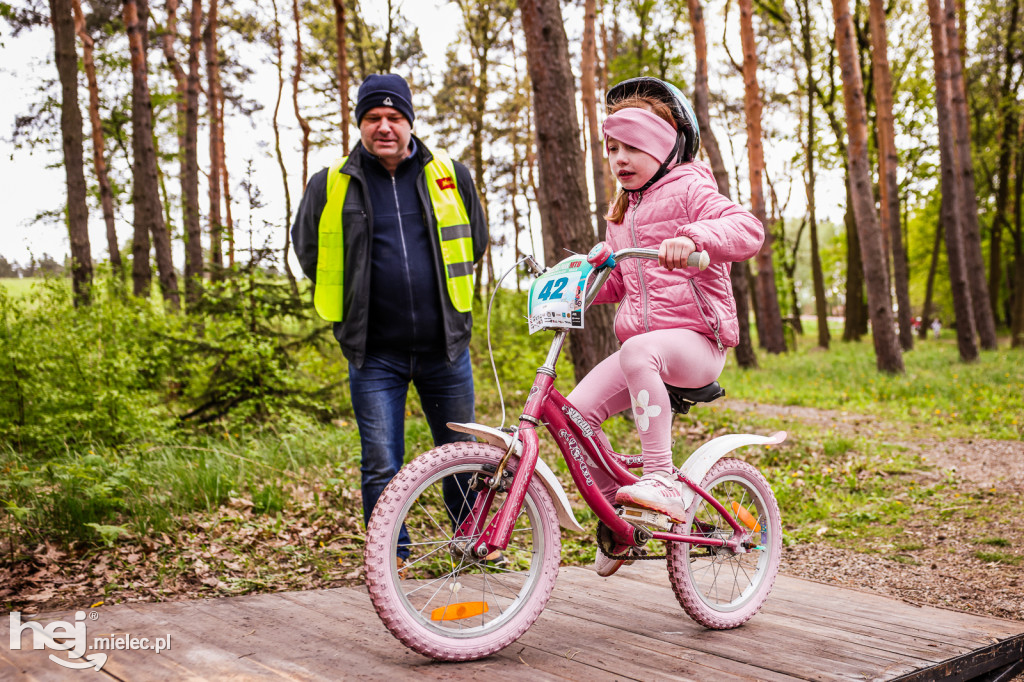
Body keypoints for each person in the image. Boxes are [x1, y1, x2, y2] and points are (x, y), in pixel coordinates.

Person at [565, 77, 764, 577]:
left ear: (665, 147)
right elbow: (624, 288)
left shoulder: (692, 187)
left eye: (634, 146)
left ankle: (661, 480)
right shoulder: (621, 213)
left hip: (698, 341)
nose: (620, 158)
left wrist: (694, 235)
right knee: (574, 414)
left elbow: (748, 230)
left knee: (639, 352)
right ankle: (620, 516)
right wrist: (593, 274)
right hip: (647, 349)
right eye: (613, 148)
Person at [291, 73, 488, 565]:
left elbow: (475, 241)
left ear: (409, 122)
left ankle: (468, 545)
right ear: (359, 123)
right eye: (373, 117)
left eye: (394, 117)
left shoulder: (450, 174)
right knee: (381, 464)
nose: (384, 126)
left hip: (446, 349)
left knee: (461, 457)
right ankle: (390, 559)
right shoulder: (331, 184)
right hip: (374, 354)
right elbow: (308, 250)